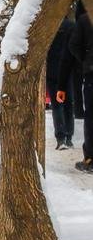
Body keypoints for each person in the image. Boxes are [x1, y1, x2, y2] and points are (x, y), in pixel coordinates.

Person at [58, 0, 93, 172]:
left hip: (91, 75)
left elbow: (73, 46)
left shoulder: (85, 21)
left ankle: (90, 159)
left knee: (91, 117)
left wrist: (86, 61)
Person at [47, 17, 76, 150]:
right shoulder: (72, 26)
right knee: (69, 104)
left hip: (52, 70)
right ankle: (69, 137)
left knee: (57, 104)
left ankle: (61, 137)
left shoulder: (48, 25)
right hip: (68, 70)